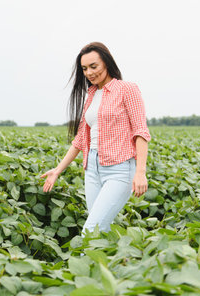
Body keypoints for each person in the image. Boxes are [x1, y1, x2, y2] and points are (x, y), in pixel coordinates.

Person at [40, 42, 151, 234]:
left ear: (106, 63)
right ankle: (116, 262)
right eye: (84, 69)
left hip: (120, 170)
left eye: (94, 66)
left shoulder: (127, 89)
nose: (89, 73)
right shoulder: (91, 95)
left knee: (90, 230)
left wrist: (140, 172)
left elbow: (141, 132)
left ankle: (81, 263)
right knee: (100, 231)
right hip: (92, 169)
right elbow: (81, 140)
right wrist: (57, 170)